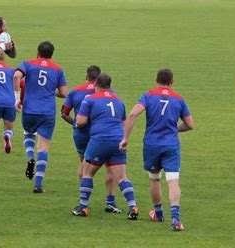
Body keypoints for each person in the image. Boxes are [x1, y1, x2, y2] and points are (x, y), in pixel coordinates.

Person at [119, 68, 194, 231]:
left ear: (156, 80)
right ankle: (175, 219)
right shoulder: (179, 99)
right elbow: (190, 124)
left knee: (154, 178)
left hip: (152, 144)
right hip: (171, 145)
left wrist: (125, 138)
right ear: (172, 82)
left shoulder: (148, 95)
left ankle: (158, 214)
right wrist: (176, 129)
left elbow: (132, 114)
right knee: (173, 180)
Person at [71, 73, 138, 220]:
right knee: (121, 177)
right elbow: (123, 121)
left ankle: (83, 207)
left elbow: (81, 121)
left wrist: (81, 122)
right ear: (110, 85)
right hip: (118, 141)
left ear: (95, 85)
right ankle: (133, 207)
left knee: (87, 172)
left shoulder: (89, 99)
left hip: (100, 140)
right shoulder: (119, 101)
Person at [61, 65, 122, 214]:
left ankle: (83, 201)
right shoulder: (110, 93)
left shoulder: (75, 91)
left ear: (86, 76)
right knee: (110, 165)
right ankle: (110, 202)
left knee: (84, 163)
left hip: (82, 133)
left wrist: (75, 124)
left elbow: (64, 113)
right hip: (103, 134)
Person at [13, 41, 67, 193]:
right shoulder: (57, 69)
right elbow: (64, 93)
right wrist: (51, 91)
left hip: (30, 110)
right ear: (51, 54)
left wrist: (17, 98)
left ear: (37, 52)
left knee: (28, 132)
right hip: (48, 112)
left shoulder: (28, 63)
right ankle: (38, 185)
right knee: (43, 147)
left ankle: (30, 157)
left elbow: (17, 76)